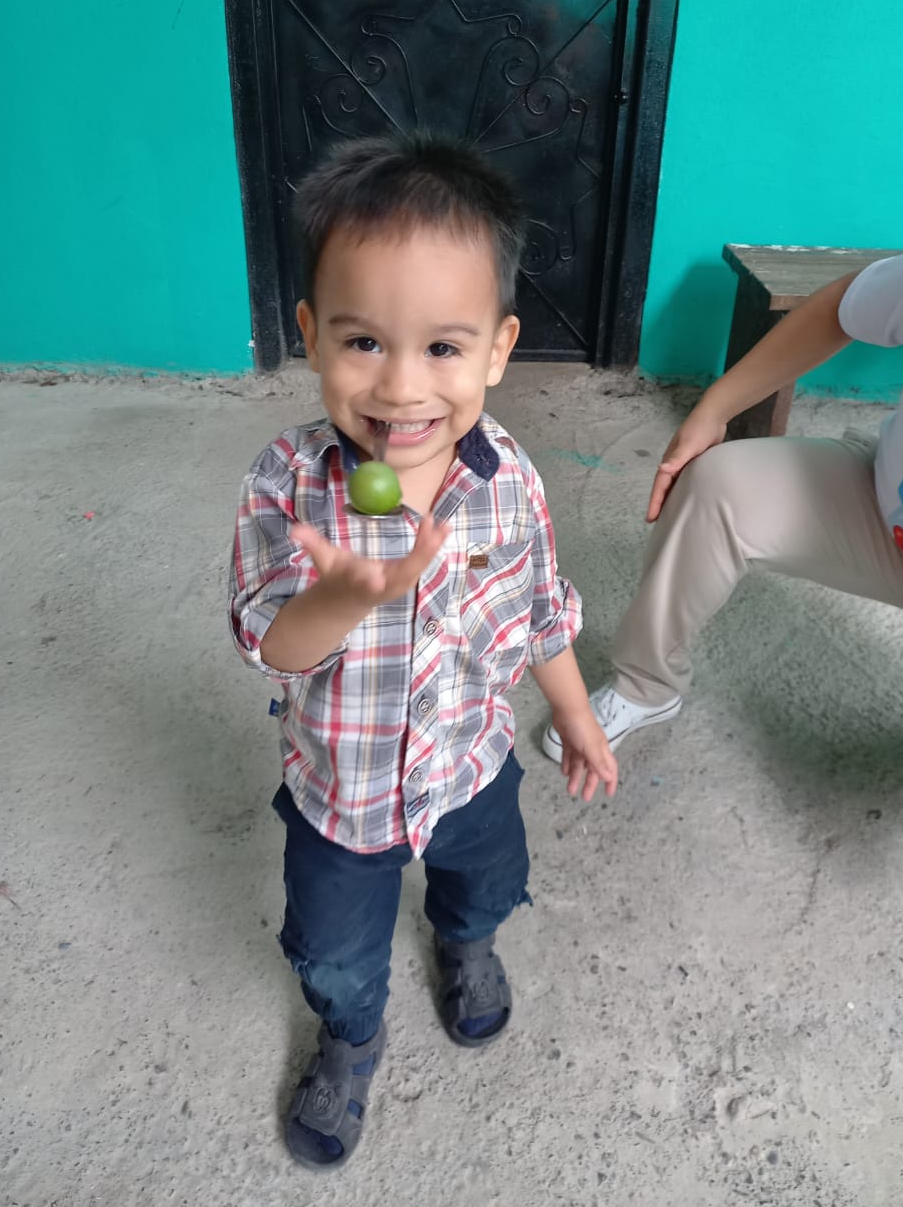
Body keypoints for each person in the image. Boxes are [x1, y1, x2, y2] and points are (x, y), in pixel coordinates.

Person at [229, 134, 617, 1171]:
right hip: (342, 797)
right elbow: (269, 642)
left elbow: (537, 610)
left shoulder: (510, 481)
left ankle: (466, 938)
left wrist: (575, 710)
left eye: (443, 347)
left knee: (486, 878)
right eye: (363, 340)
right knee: (333, 949)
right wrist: (339, 600)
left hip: (471, 767)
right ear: (310, 333)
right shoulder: (287, 484)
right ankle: (352, 1034)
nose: (402, 388)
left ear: (498, 348)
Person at [543, 236, 903, 762]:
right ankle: (647, 686)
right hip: (890, 514)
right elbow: (844, 306)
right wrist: (714, 408)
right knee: (717, 485)